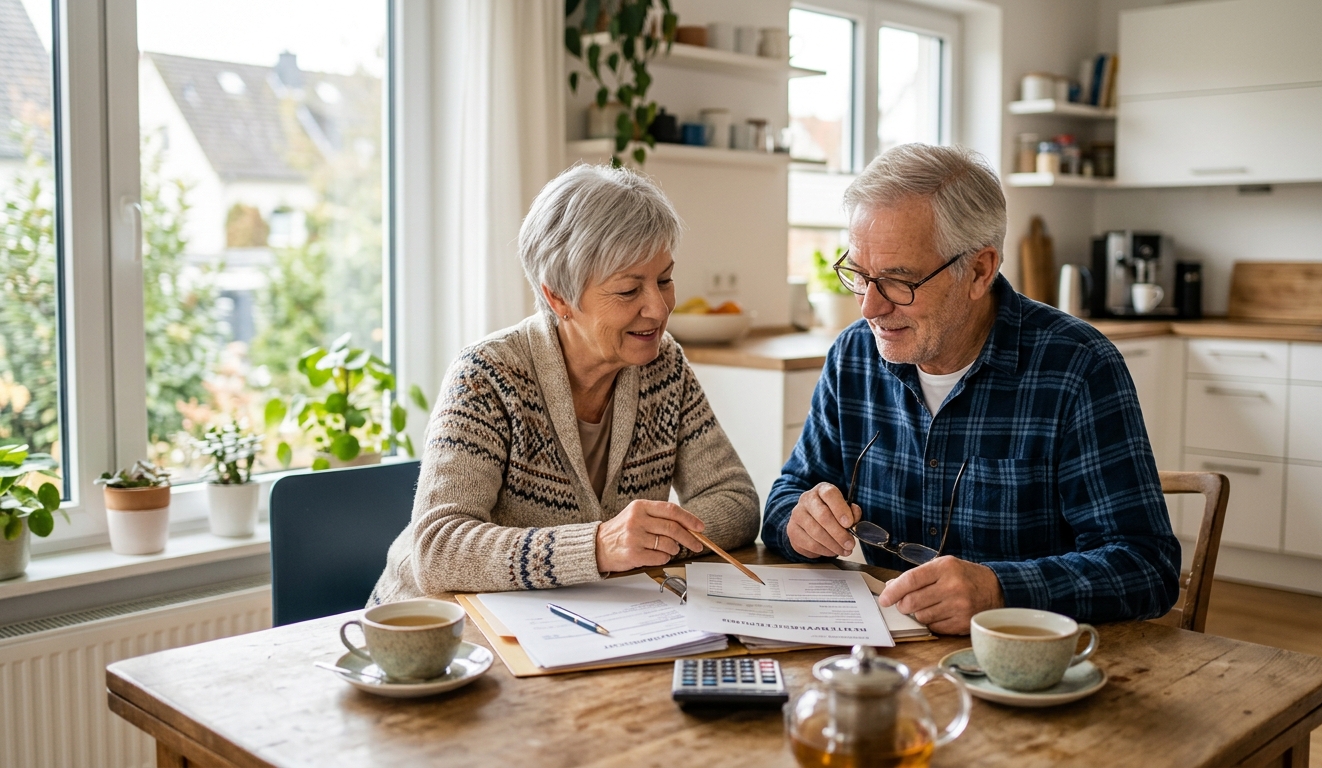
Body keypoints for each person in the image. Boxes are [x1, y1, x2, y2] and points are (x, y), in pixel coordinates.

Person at [761, 143, 1180, 634]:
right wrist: (799, 522)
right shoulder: (854, 356)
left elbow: (1146, 566)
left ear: (980, 270)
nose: (870, 307)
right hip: (886, 655)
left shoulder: (1077, 367)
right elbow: (787, 495)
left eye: (898, 281)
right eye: (859, 275)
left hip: (1023, 660)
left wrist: (1000, 590)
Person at [371, 164, 759, 601]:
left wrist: (647, 540)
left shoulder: (663, 366)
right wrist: (597, 547)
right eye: (629, 291)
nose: (658, 307)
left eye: (664, 280)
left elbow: (736, 500)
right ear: (558, 296)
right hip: (433, 625)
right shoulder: (485, 376)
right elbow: (438, 551)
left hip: (578, 616)